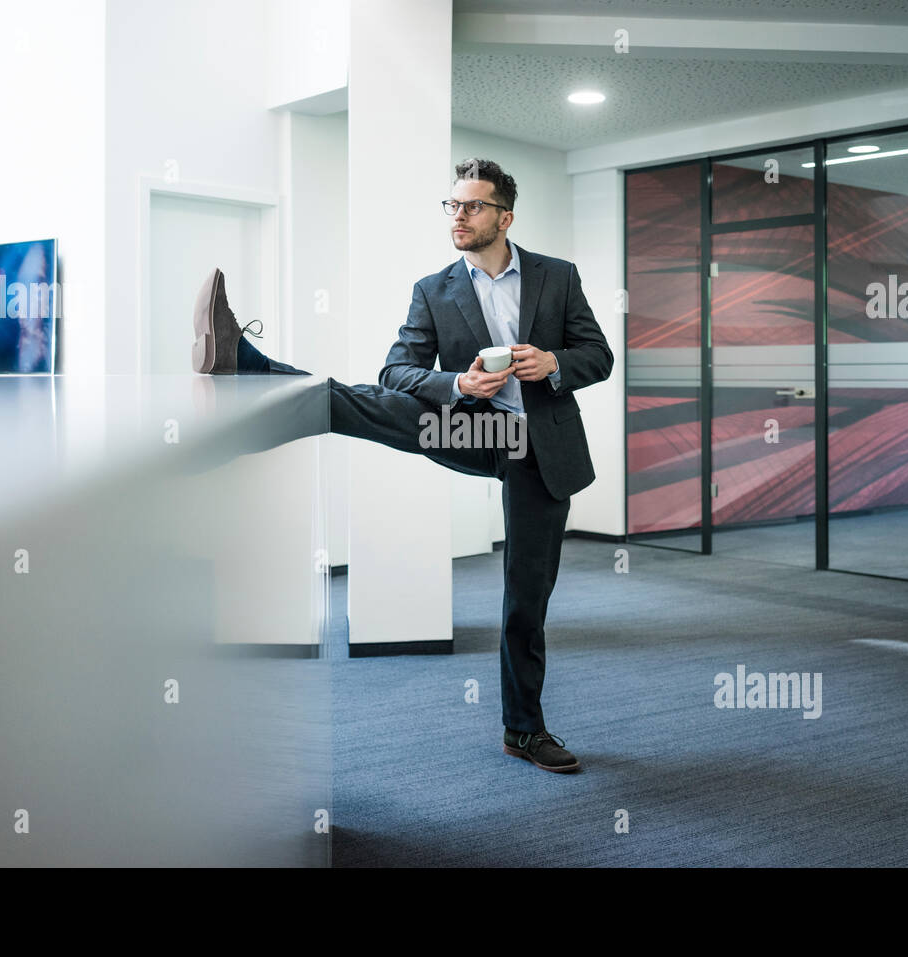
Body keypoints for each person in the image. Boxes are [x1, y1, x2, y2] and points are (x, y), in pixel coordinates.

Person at [192, 158, 613, 773]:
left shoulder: (558, 277)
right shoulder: (434, 289)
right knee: (376, 400)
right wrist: (457, 383)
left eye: (472, 206)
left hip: (539, 444)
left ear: (505, 216)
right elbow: (399, 371)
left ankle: (524, 730)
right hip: (468, 422)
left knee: (526, 595)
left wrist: (552, 363)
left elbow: (597, 355)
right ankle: (245, 361)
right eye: (452, 205)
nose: (459, 216)